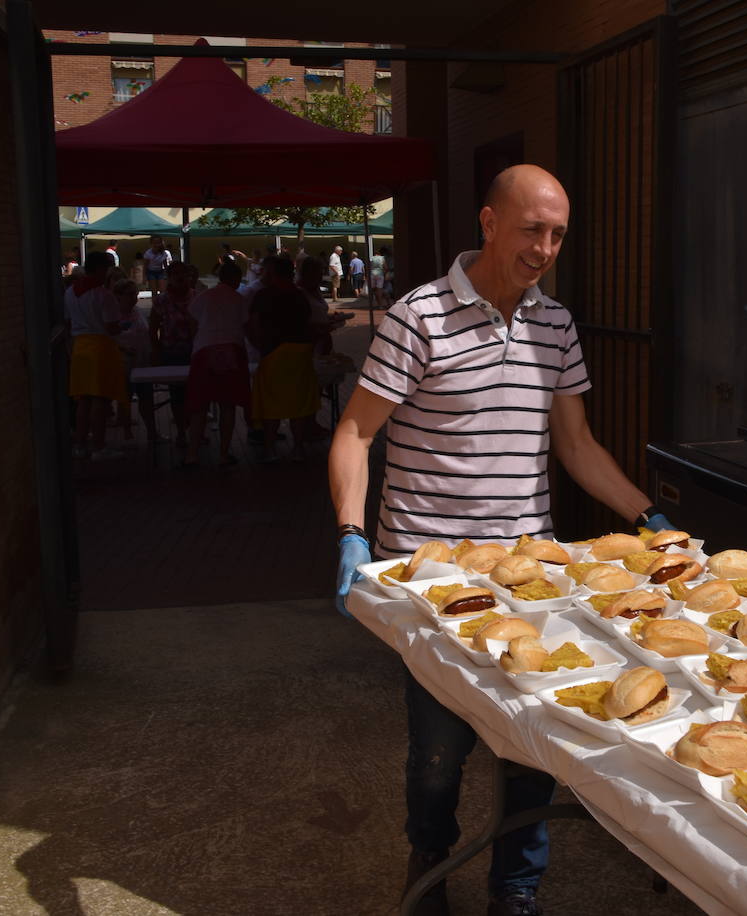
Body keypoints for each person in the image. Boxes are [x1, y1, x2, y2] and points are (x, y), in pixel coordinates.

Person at [328, 165, 675, 916]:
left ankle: (516, 889)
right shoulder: (418, 317)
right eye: (531, 229)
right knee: (438, 755)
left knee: (530, 747)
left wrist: (648, 516)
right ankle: (429, 856)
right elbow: (355, 433)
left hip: (530, 576)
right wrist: (353, 534)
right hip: (432, 579)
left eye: (557, 235)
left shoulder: (556, 325)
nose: (544, 248)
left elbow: (576, 445)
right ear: (488, 223)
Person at [184, 260, 252, 467]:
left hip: (204, 350)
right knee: (228, 405)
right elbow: (246, 325)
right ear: (237, 279)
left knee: (199, 406)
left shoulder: (203, 297)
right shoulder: (239, 299)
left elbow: (191, 322)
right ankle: (223, 453)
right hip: (232, 351)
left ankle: (192, 454)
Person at [65, 251, 128, 460]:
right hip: (100, 347)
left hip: (79, 347)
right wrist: (123, 327)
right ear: (101, 269)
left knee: (83, 399)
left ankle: (80, 444)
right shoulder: (103, 295)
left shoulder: (70, 293)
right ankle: (99, 446)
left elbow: (68, 320)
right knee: (100, 400)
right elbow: (111, 327)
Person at [248, 279, 317, 462]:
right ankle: (298, 448)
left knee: (271, 403)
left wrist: (259, 345)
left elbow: (253, 322)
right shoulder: (300, 295)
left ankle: (270, 449)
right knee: (299, 403)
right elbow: (310, 321)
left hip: (274, 352)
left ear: (272, 273)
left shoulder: (264, 295)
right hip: (299, 351)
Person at [148, 262, 199, 447]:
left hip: (195, 351)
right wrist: (155, 351)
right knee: (177, 394)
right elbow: (153, 328)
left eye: (183, 274)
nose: (179, 277)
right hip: (172, 351)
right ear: (169, 276)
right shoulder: (161, 300)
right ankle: (181, 432)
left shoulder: (197, 297)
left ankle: (195, 431)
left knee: (196, 394)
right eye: (175, 274)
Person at [111, 278, 161, 444]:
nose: (134, 297)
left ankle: (152, 433)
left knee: (146, 399)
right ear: (118, 296)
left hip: (142, 362)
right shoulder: (112, 315)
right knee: (125, 399)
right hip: (123, 364)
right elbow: (109, 338)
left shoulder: (137, 311)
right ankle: (127, 434)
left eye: (136, 294)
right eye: (130, 294)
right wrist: (123, 348)